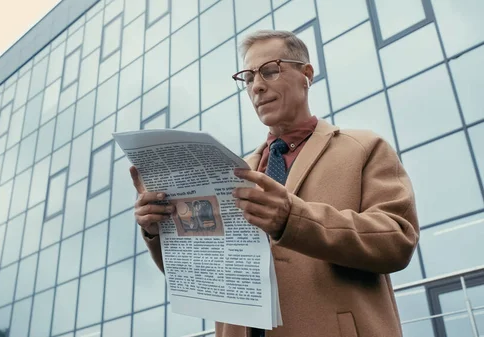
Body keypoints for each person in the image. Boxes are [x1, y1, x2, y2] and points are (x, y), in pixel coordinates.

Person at [129, 30, 419, 337]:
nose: (257, 86)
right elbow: (201, 271)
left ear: (306, 75)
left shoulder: (364, 147)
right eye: (248, 77)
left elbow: (397, 241)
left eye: (270, 70)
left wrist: (292, 220)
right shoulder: (229, 172)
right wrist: (157, 228)